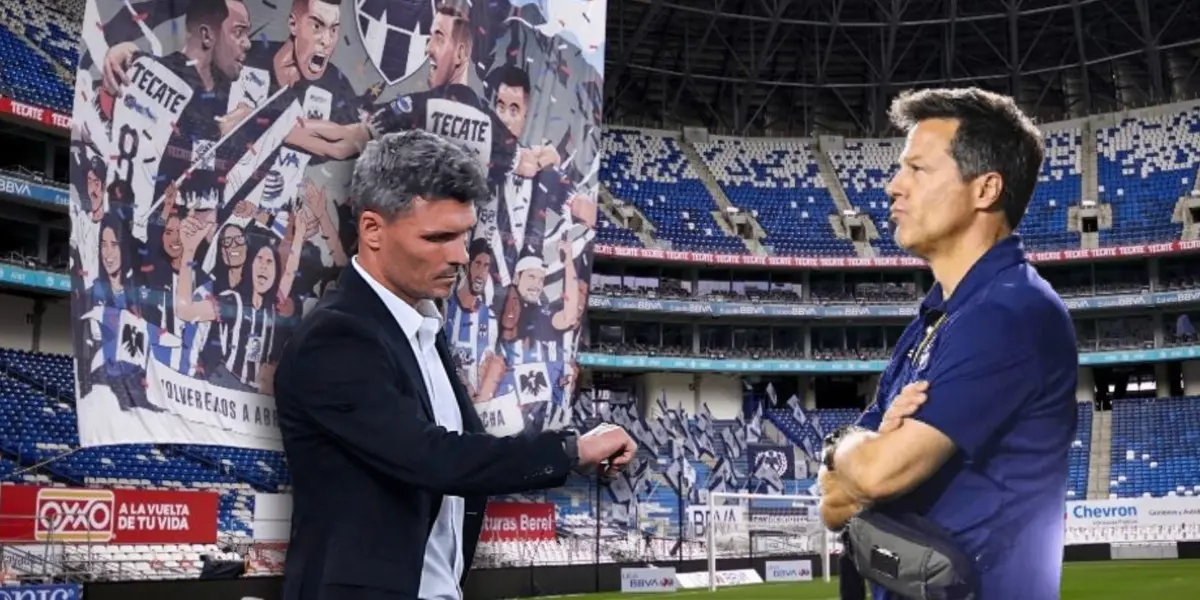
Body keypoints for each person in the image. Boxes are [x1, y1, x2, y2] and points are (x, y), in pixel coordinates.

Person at [273, 129, 636, 600]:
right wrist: (570, 451)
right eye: (438, 237)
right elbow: (433, 458)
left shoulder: (423, 329)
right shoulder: (336, 339)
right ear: (373, 230)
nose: (461, 256)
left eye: (464, 235)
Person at [817, 88, 1078, 600]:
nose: (894, 186)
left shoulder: (1009, 314)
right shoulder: (932, 322)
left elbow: (872, 476)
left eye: (917, 169)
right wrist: (862, 456)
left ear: (986, 189)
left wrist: (845, 449)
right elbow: (830, 505)